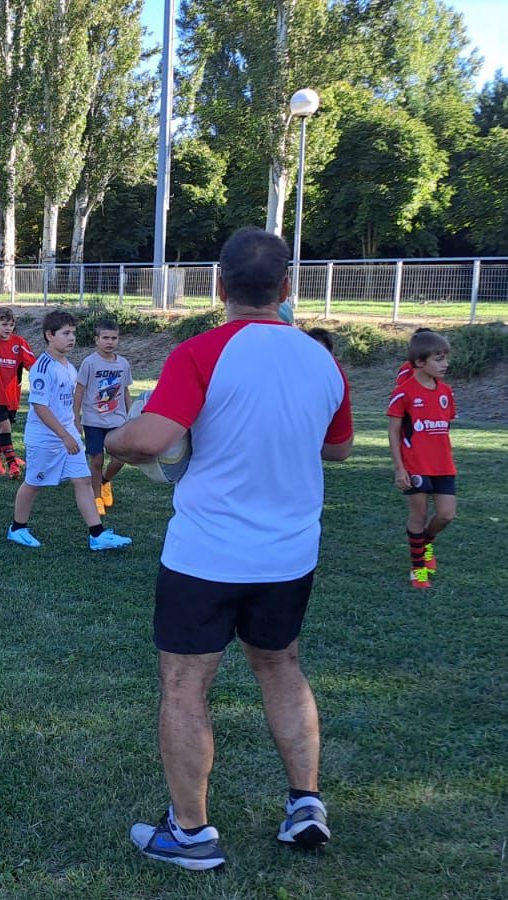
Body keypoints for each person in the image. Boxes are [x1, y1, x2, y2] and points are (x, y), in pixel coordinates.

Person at [107, 227, 353, 870]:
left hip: (207, 556)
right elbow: (337, 448)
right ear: (287, 288)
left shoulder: (201, 354)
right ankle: (305, 804)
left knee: (186, 685)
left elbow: (146, 442)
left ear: (218, 287)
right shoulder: (321, 360)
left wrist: (112, 440)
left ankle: (191, 835)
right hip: (289, 555)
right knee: (281, 667)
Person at [6, 310, 134, 552]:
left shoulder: (68, 365)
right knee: (34, 483)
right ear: (49, 335)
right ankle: (17, 528)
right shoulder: (43, 367)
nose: (71, 338)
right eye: (65, 333)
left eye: (73, 333)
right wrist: (64, 435)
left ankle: (97, 535)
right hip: (46, 438)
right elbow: (40, 406)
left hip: (68, 436)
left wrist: (72, 426)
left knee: (83, 480)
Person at [387, 329, 456, 590]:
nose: (445, 364)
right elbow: (394, 431)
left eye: (445, 358)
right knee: (419, 514)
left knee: (446, 515)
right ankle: (418, 569)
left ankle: (425, 542)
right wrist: (399, 468)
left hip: (443, 465)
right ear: (419, 363)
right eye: (438, 359)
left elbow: (444, 425)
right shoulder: (403, 392)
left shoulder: (447, 392)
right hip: (415, 465)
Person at [74, 319, 132, 515]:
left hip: (117, 419)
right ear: (96, 340)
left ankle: (106, 481)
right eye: (105, 338)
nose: (110, 342)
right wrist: (76, 417)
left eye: (114, 338)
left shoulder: (123, 364)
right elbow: (79, 391)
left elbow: (125, 391)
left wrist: (131, 416)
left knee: (121, 457)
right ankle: (97, 497)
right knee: (97, 459)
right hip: (93, 420)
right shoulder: (89, 363)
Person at [0, 306, 35, 479]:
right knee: (4, 426)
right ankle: (12, 464)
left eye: (11, 324)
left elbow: (32, 365)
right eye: (3, 324)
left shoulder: (19, 343)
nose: (8, 328)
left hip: (12, 394)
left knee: (4, 428)